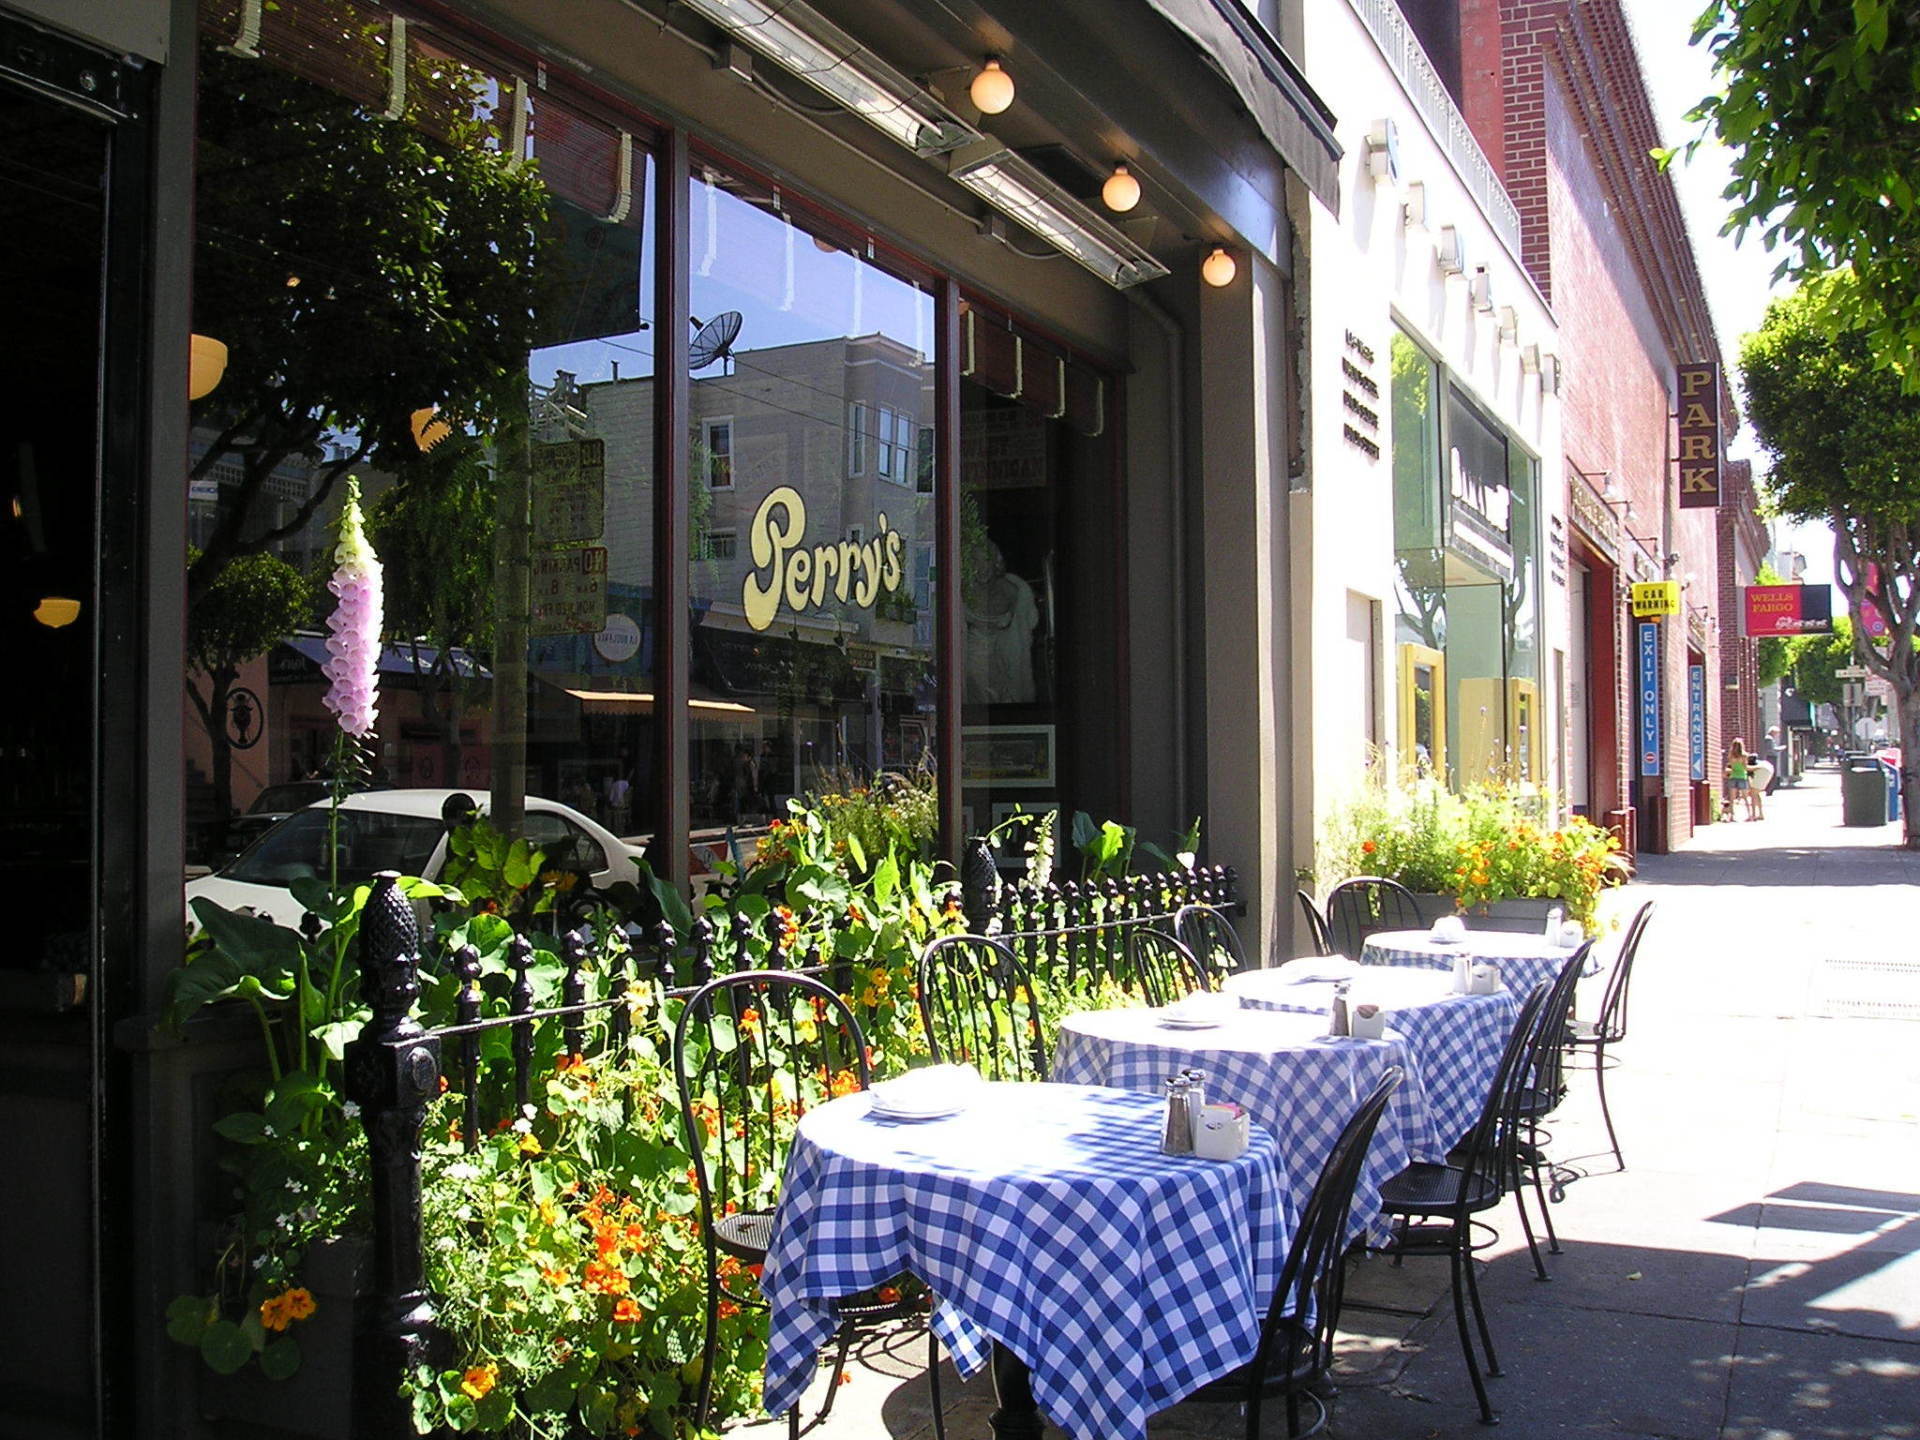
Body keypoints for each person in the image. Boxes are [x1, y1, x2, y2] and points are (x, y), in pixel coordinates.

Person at [1726, 738, 1758, 821]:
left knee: (1732, 798)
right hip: (1742, 777)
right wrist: (1756, 768)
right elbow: (1745, 767)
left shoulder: (1731, 756)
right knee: (1745, 797)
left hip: (1733, 776)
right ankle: (1749, 815)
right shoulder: (1744, 756)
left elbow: (1731, 767)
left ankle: (1731, 816)